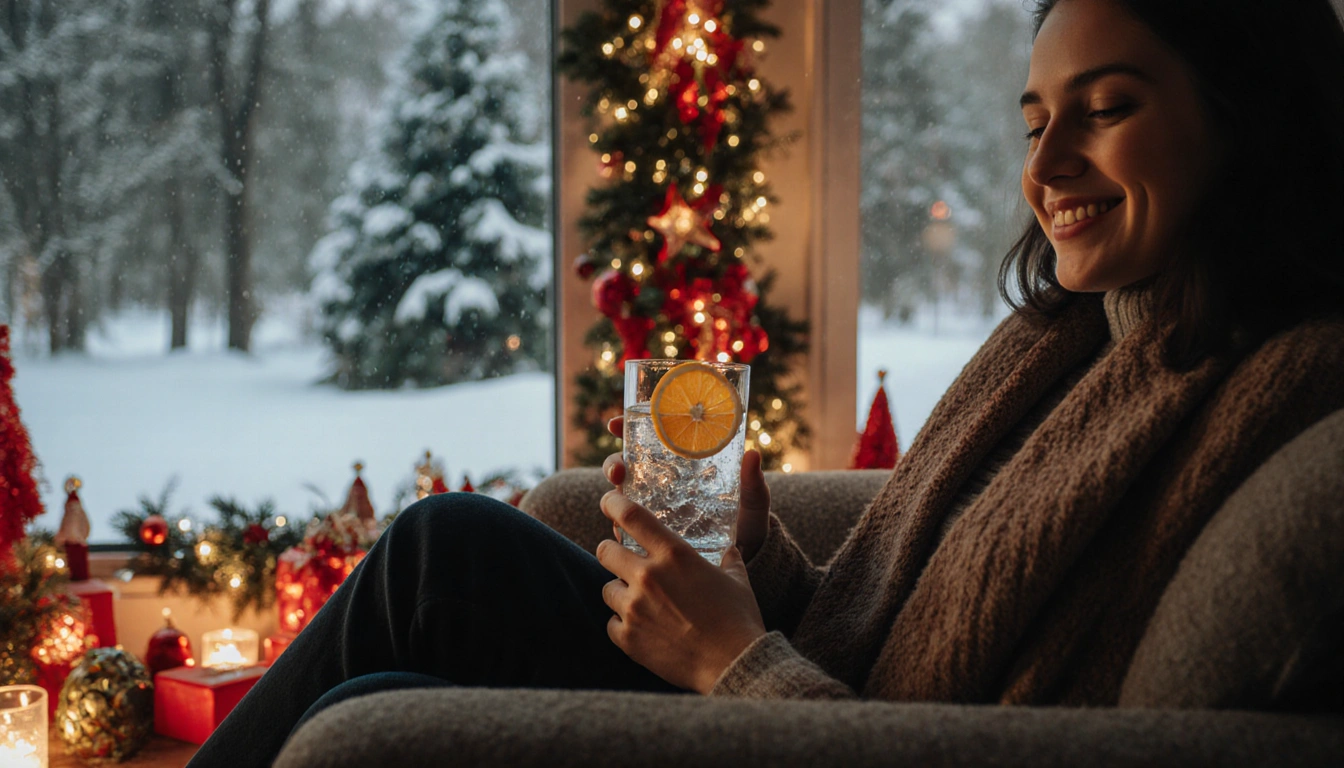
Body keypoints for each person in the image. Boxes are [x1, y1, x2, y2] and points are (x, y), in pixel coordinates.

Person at [188, 0, 1344, 763]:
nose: (1043, 168)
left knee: (362, 708)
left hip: (792, 726)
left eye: (1107, 109)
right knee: (437, 561)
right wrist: (765, 560)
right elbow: (906, 606)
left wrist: (731, 659)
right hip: (801, 682)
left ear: (1249, 119)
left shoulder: (1268, 389)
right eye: (1036, 118)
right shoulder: (1070, 334)